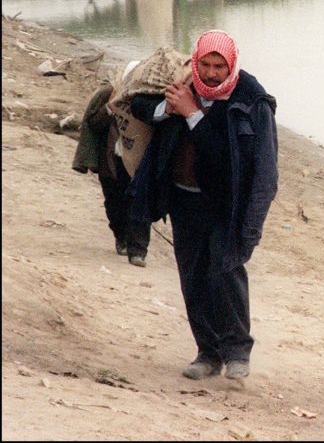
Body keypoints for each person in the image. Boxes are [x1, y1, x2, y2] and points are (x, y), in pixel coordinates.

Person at [127, 30, 278, 382]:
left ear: (232, 66)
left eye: (218, 67)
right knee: (193, 277)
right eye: (205, 65)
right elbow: (140, 105)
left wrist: (193, 114)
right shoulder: (184, 85)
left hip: (226, 205)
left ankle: (238, 351)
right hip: (183, 201)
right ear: (196, 62)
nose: (210, 74)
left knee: (225, 275)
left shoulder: (251, 101)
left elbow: (233, 161)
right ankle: (208, 353)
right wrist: (169, 107)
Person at [72, 70, 151, 267]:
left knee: (139, 205)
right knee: (114, 203)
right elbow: (94, 124)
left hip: (137, 163)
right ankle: (121, 237)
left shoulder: (148, 99)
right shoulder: (109, 94)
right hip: (111, 161)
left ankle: (138, 251)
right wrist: (110, 108)